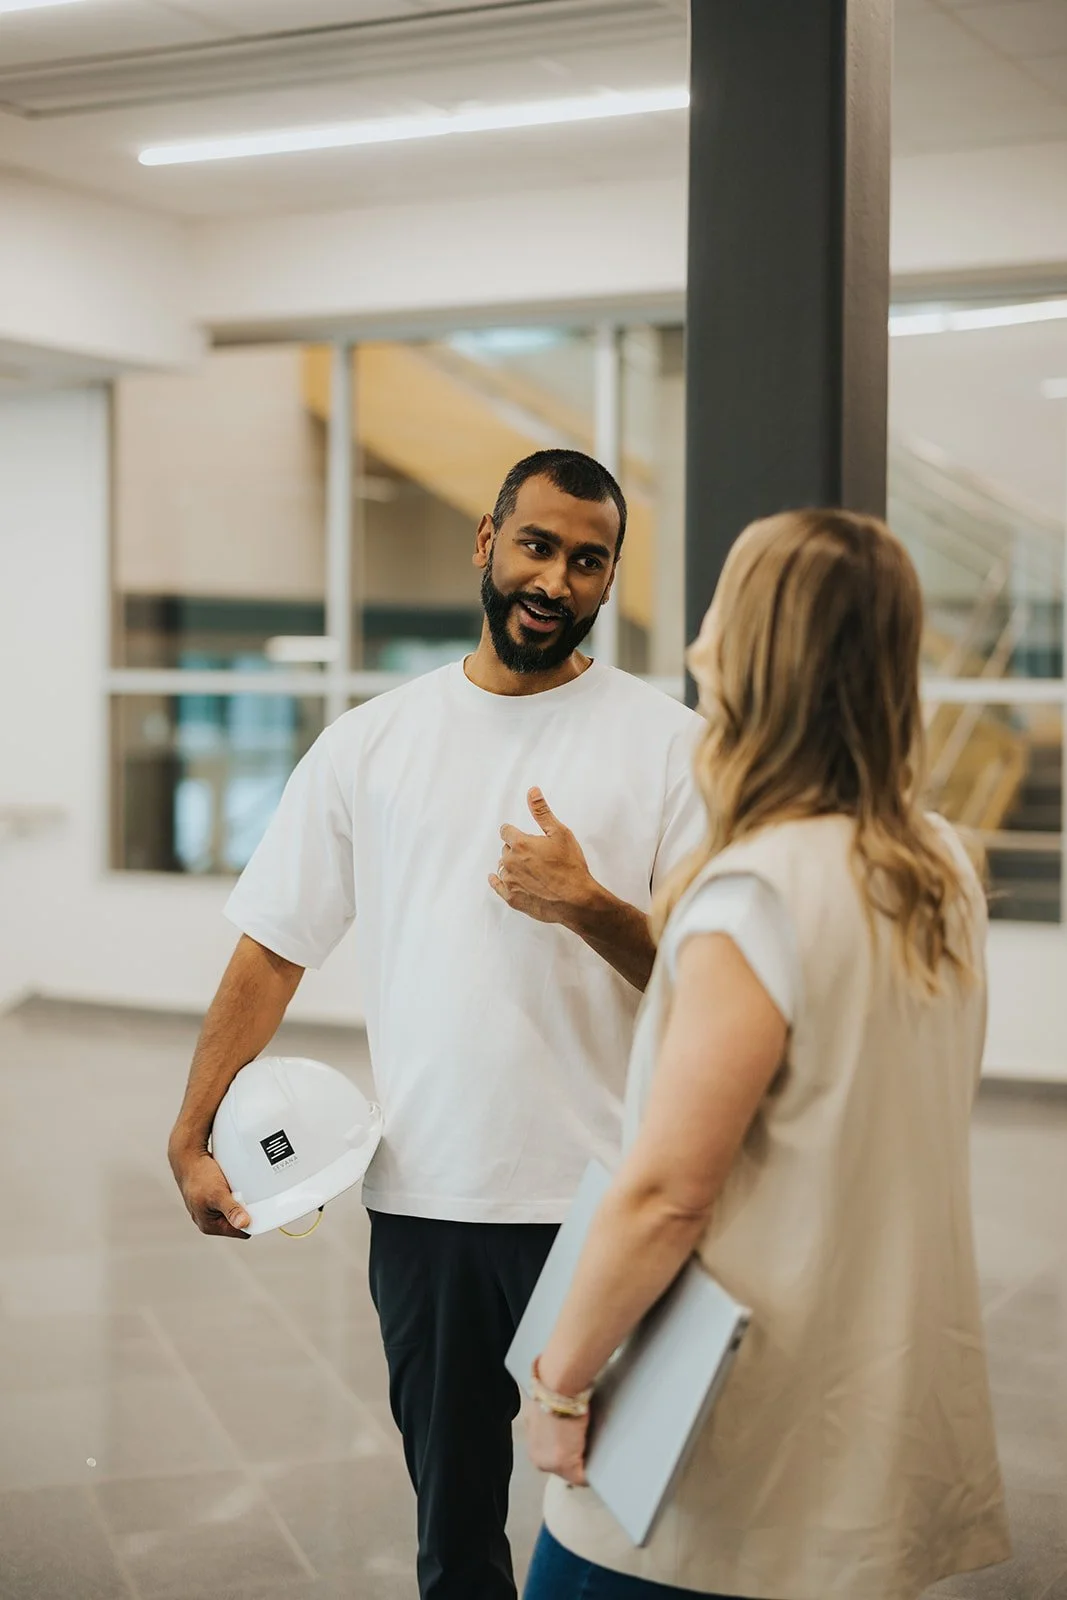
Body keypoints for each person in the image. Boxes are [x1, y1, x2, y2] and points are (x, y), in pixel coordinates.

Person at [167, 448, 705, 1600]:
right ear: (485, 541)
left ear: (608, 579)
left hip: (608, 1202)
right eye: (536, 545)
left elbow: (711, 983)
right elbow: (273, 946)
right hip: (429, 1202)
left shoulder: (666, 744)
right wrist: (192, 1130)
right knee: (455, 1532)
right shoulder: (371, 742)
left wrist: (591, 907)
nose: (554, 579)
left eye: (586, 559)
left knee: (631, 1528)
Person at [522, 508, 1011, 1600]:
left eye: (716, 615)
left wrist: (559, 1383)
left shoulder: (753, 892)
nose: (696, 642)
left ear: (744, 653)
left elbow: (667, 1195)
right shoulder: (936, 866)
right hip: (863, 1412)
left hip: (715, 1433)